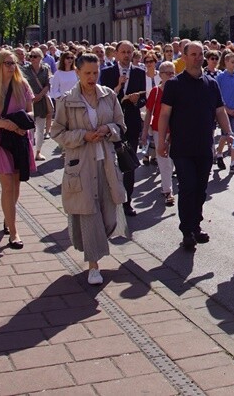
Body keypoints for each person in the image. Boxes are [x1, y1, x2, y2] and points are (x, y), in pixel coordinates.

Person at [51, 53, 129, 285]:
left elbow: (120, 125)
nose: (92, 77)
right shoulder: (66, 100)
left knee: (108, 214)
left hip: (105, 161)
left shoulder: (109, 96)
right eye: (87, 73)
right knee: (88, 213)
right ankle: (93, 265)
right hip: (81, 165)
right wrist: (83, 136)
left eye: (96, 73)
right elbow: (57, 133)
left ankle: (96, 244)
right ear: (77, 72)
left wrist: (107, 130)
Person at [157, 42, 233, 251]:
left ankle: (196, 225)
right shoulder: (174, 85)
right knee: (188, 186)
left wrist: (228, 132)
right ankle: (187, 230)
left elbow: (220, 110)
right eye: (193, 54)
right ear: (184, 57)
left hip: (204, 146)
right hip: (181, 147)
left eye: (201, 54)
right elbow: (164, 114)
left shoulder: (211, 84)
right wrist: (161, 141)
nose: (198, 58)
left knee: (200, 188)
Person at [0, 49, 37, 250]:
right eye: (7, 63)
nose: (12, 67)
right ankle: (14, 232)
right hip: (0, 140)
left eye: (14, 63)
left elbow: (31, 110)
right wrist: (7, 124)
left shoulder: (22, 84)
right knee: (8, 185)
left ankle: (8, 217)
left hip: (20, 138)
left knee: (17, 185)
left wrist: (22, 122)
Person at [99, 40, 147, 216]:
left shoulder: (140, 73)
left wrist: (137, 101)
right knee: (109, 164)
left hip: (132, 124)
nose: (126, 55)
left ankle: (127, 201)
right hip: (111, 125)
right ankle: (109, 200)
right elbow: (102, 98)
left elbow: (144, 98)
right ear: (117, 54)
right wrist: (118, 87)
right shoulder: (107, 72)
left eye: (129, 52)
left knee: (129, 164)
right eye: (123, 52)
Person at [141, 61, 176, 206]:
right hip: (159, 130)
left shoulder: (178, 90)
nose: (170, 76)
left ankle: (167, 184)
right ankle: (167, 190)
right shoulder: (155, 92)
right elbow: (149, 112)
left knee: (173, 159)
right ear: (160, 75)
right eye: (167, 73)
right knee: (163, 160)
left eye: (172, 73)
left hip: (176, 130)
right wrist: (144, 133)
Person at [23, 48, 53, 161]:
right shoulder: (25, 69)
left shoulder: (46, 69)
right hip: (28, 102)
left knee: (40, 129)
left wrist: (40, 95)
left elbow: (48, 84)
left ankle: (38, 152)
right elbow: (23, 84)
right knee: (29, 129)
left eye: (35, 56)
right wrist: (31, 96)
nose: (32, 58)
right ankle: (29, 152)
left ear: (41, 57)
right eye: (31, 56)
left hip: (41, 102)